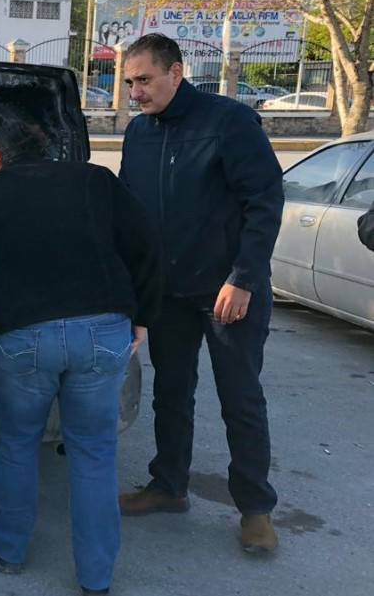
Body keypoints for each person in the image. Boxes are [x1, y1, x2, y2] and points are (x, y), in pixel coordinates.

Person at [0, 121, 162, 596]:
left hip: (23, 333)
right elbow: (145, 243)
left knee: (18, 443)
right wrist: (142, 314)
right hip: (103, 328)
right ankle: (96, 578)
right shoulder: (95, 180)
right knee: (95, 454)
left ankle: (9, 550)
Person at [117, 33, 284, 553]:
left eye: (144, 80)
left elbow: (264, 200)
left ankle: (255, 508)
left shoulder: (228, 121)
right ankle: (169, 486)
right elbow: (130, 214)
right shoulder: (138, 134)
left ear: (177, 71)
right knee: (172, 393)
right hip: (168, 294)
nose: (135, 93)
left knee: (240, 397)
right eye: (128, 83)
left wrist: (244, 278)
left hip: (228, 292)